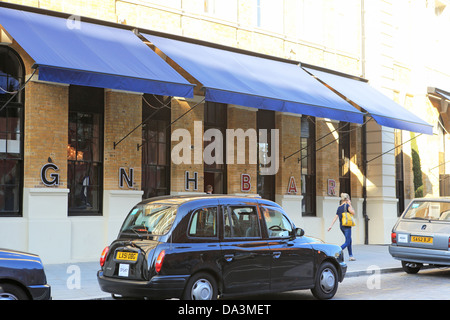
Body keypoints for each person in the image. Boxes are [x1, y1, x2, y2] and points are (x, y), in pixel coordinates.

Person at [328, 193, 356, 261]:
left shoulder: (339, 207)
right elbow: (353, 213)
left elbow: (336, 217)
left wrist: (331, 226)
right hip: (347, 225)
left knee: (349, 240)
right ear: (347, 199)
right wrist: (350, 205)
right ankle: (336, 252)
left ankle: (351, 256)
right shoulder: (347, 206)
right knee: (347, 241)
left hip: (341, 226)